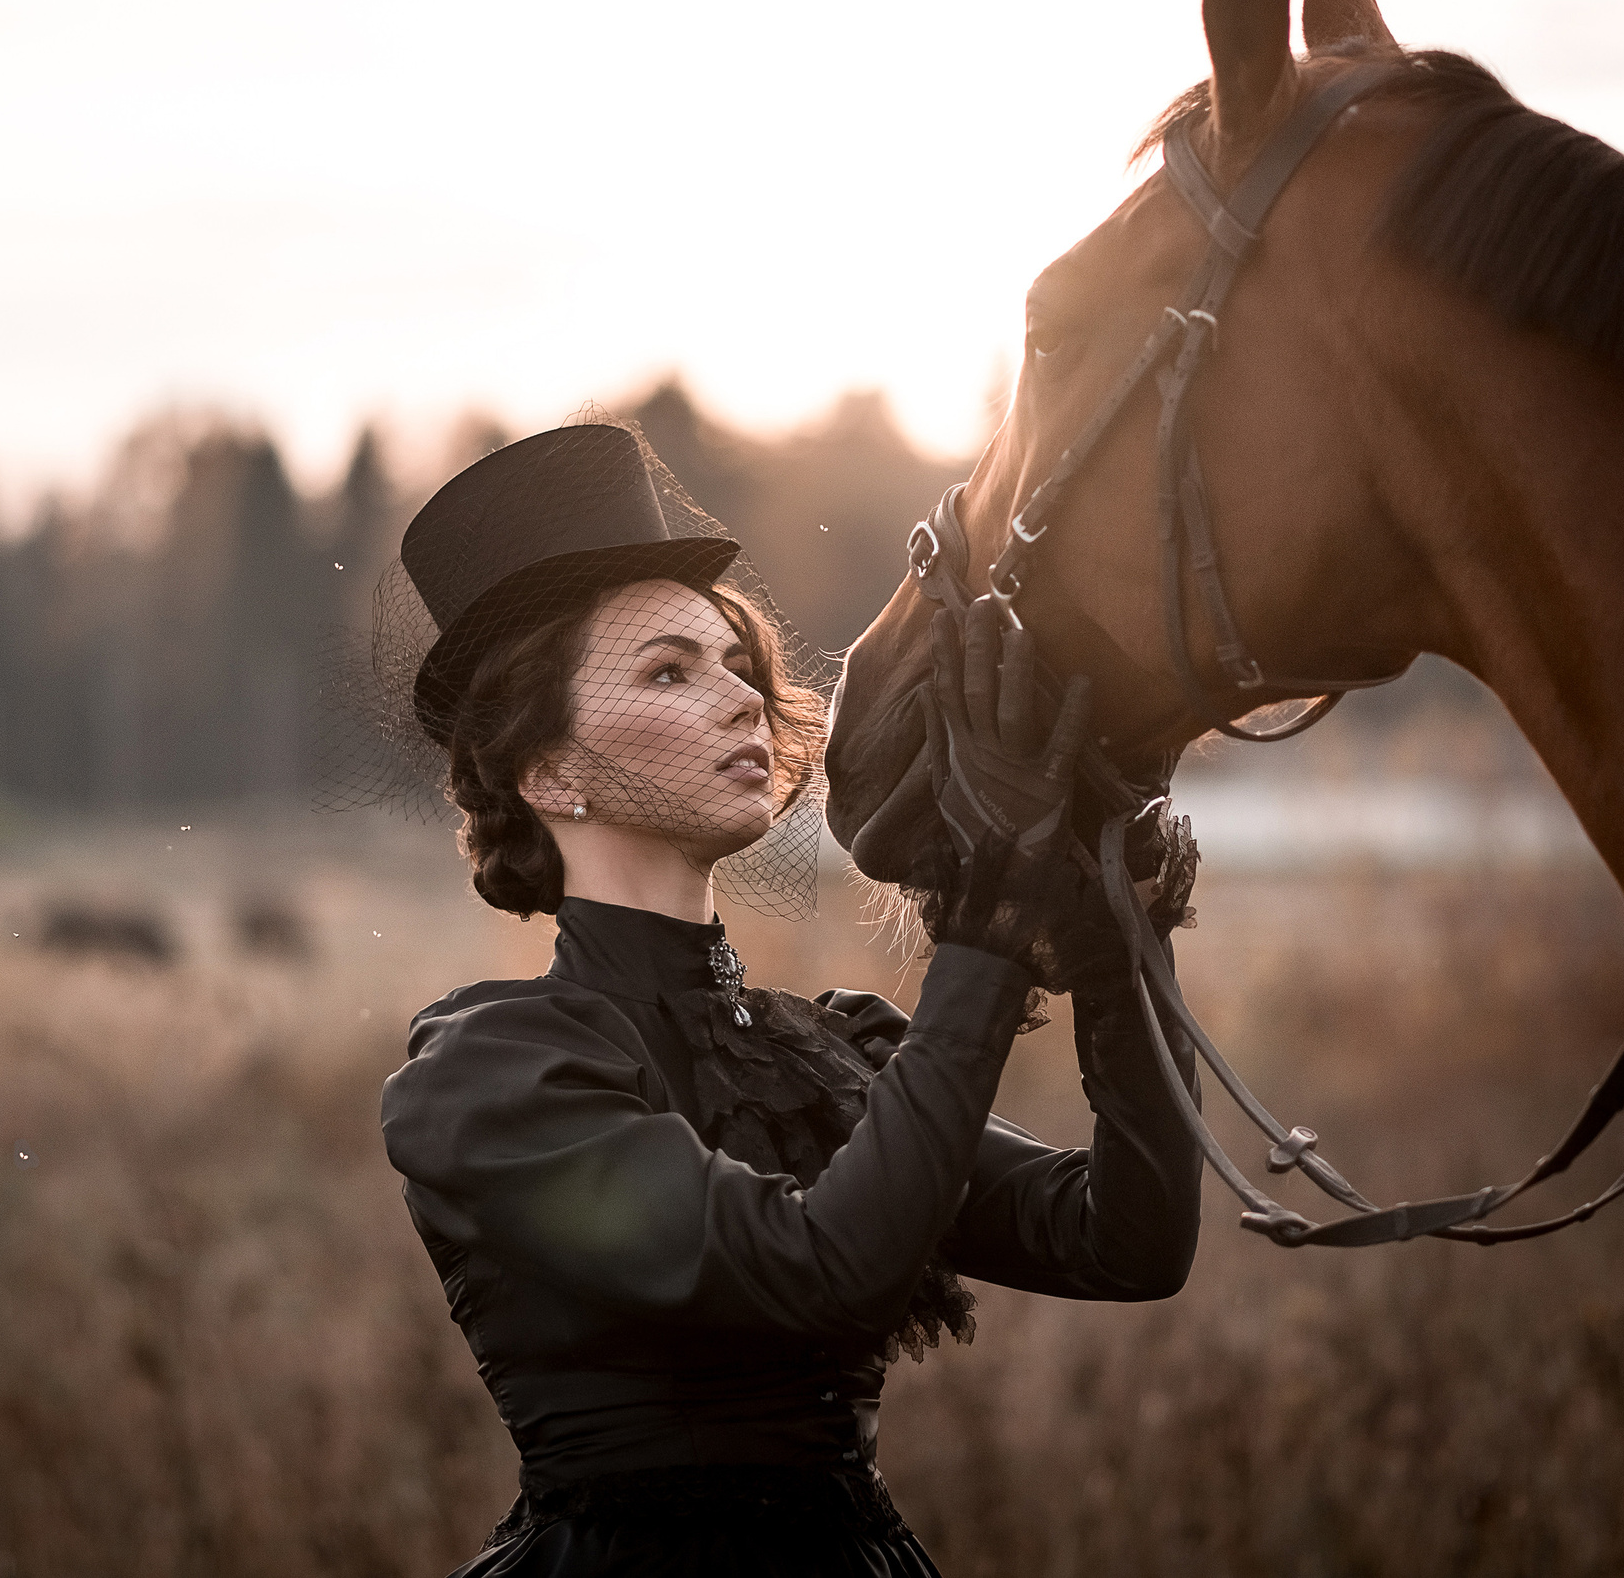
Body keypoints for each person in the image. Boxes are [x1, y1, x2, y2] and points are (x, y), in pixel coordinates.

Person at [371, 423, 1203, 1576]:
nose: (741, 700)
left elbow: (1126, 1238)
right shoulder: (491, 1075)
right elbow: (817, 1274)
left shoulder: (820, 1049)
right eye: (668, 671)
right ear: (546, 770)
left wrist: (1118, 946)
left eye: (736, 663)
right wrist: (987, 940)